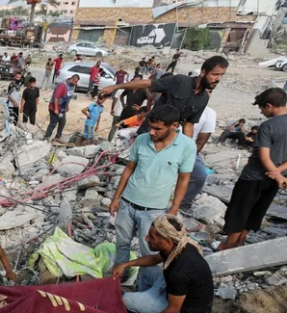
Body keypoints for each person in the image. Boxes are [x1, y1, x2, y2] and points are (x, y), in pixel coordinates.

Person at [109, 105, 196, 281]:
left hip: (154, 210)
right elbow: (129, 169)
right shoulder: (141, 139)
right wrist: (116, 198)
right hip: (127, 203)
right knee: (122, 243)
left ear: (174, 126)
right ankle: (119, 279)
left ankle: (145, 288)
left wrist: (174, 208)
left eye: (158, 128)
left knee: (149, 250)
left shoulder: (187, 146)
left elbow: (184, 179)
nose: (152, 132)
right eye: (150, 126)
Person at [113, 215, 213, 313]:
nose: (146, 239)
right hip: (175, 292)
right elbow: (153, 260)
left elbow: (173, 311)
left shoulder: (179, 272)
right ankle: (146, 300)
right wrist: (125, 265)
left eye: (152, 237)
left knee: (126, 300)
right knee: (146, 268)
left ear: (167, 241)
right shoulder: (179, 245)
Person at [218, 88, 287, 251]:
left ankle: (227, 248)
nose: (262, 113)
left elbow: (264, 156)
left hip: (253, 177)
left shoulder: (267, 126)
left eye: (262, 108)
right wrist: (279, 174)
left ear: (269, 106)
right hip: (275, 178)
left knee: (239, 212)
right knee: (255, 212)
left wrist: (276, 175)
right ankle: (239, 245)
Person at [102, 56, 229, 138]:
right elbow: (148, 83)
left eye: (221, 75)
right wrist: (115, 87)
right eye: (215, 74)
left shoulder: (203, 98)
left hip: (168, 138)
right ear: (203, 72)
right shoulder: (179, 81)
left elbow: (188, 125)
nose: (218, 79)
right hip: (148, 132)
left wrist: (188, 147)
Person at [179, 105, 217, 211]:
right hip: (166, 146)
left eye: (210, 92)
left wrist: (188, 157)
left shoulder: (209, 113)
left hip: (189, 151)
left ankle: (184, 203)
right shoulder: (178, 104)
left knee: (200, 176)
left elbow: (200, 142)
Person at [44, 74, 79, 141]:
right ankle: (46, 138)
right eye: (75, 82)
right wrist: (56, 109)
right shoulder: (62, 85)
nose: (75, 83)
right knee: (53, 123)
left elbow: (68, 97)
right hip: (55, 107)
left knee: (62, 122)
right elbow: (56, 97)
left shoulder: (72, 86)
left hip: (62, 108)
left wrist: (67, 106)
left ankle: (57, 137)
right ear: (72, 79)